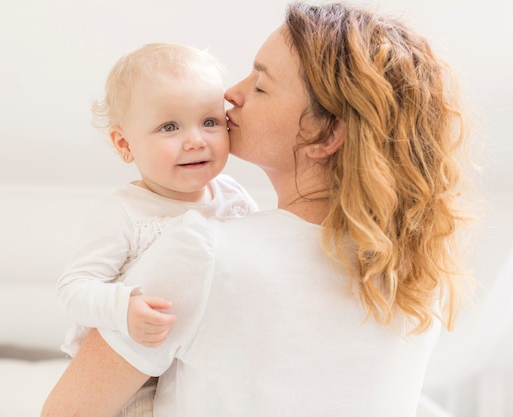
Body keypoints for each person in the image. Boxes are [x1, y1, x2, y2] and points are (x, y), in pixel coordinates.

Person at [42, 2, 474, 417]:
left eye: (261, 84)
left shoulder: (203, 252)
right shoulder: (417, 272)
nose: (230, 94)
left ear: (327, 136)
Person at [55, 43, 258, 415]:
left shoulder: (236, 198)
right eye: (169, 127)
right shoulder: (122, 213)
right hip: (134, 381)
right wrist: (123, 308)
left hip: (208, 363)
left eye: (210, 122)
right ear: (124, 144)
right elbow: (73, 289)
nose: (197, 139)